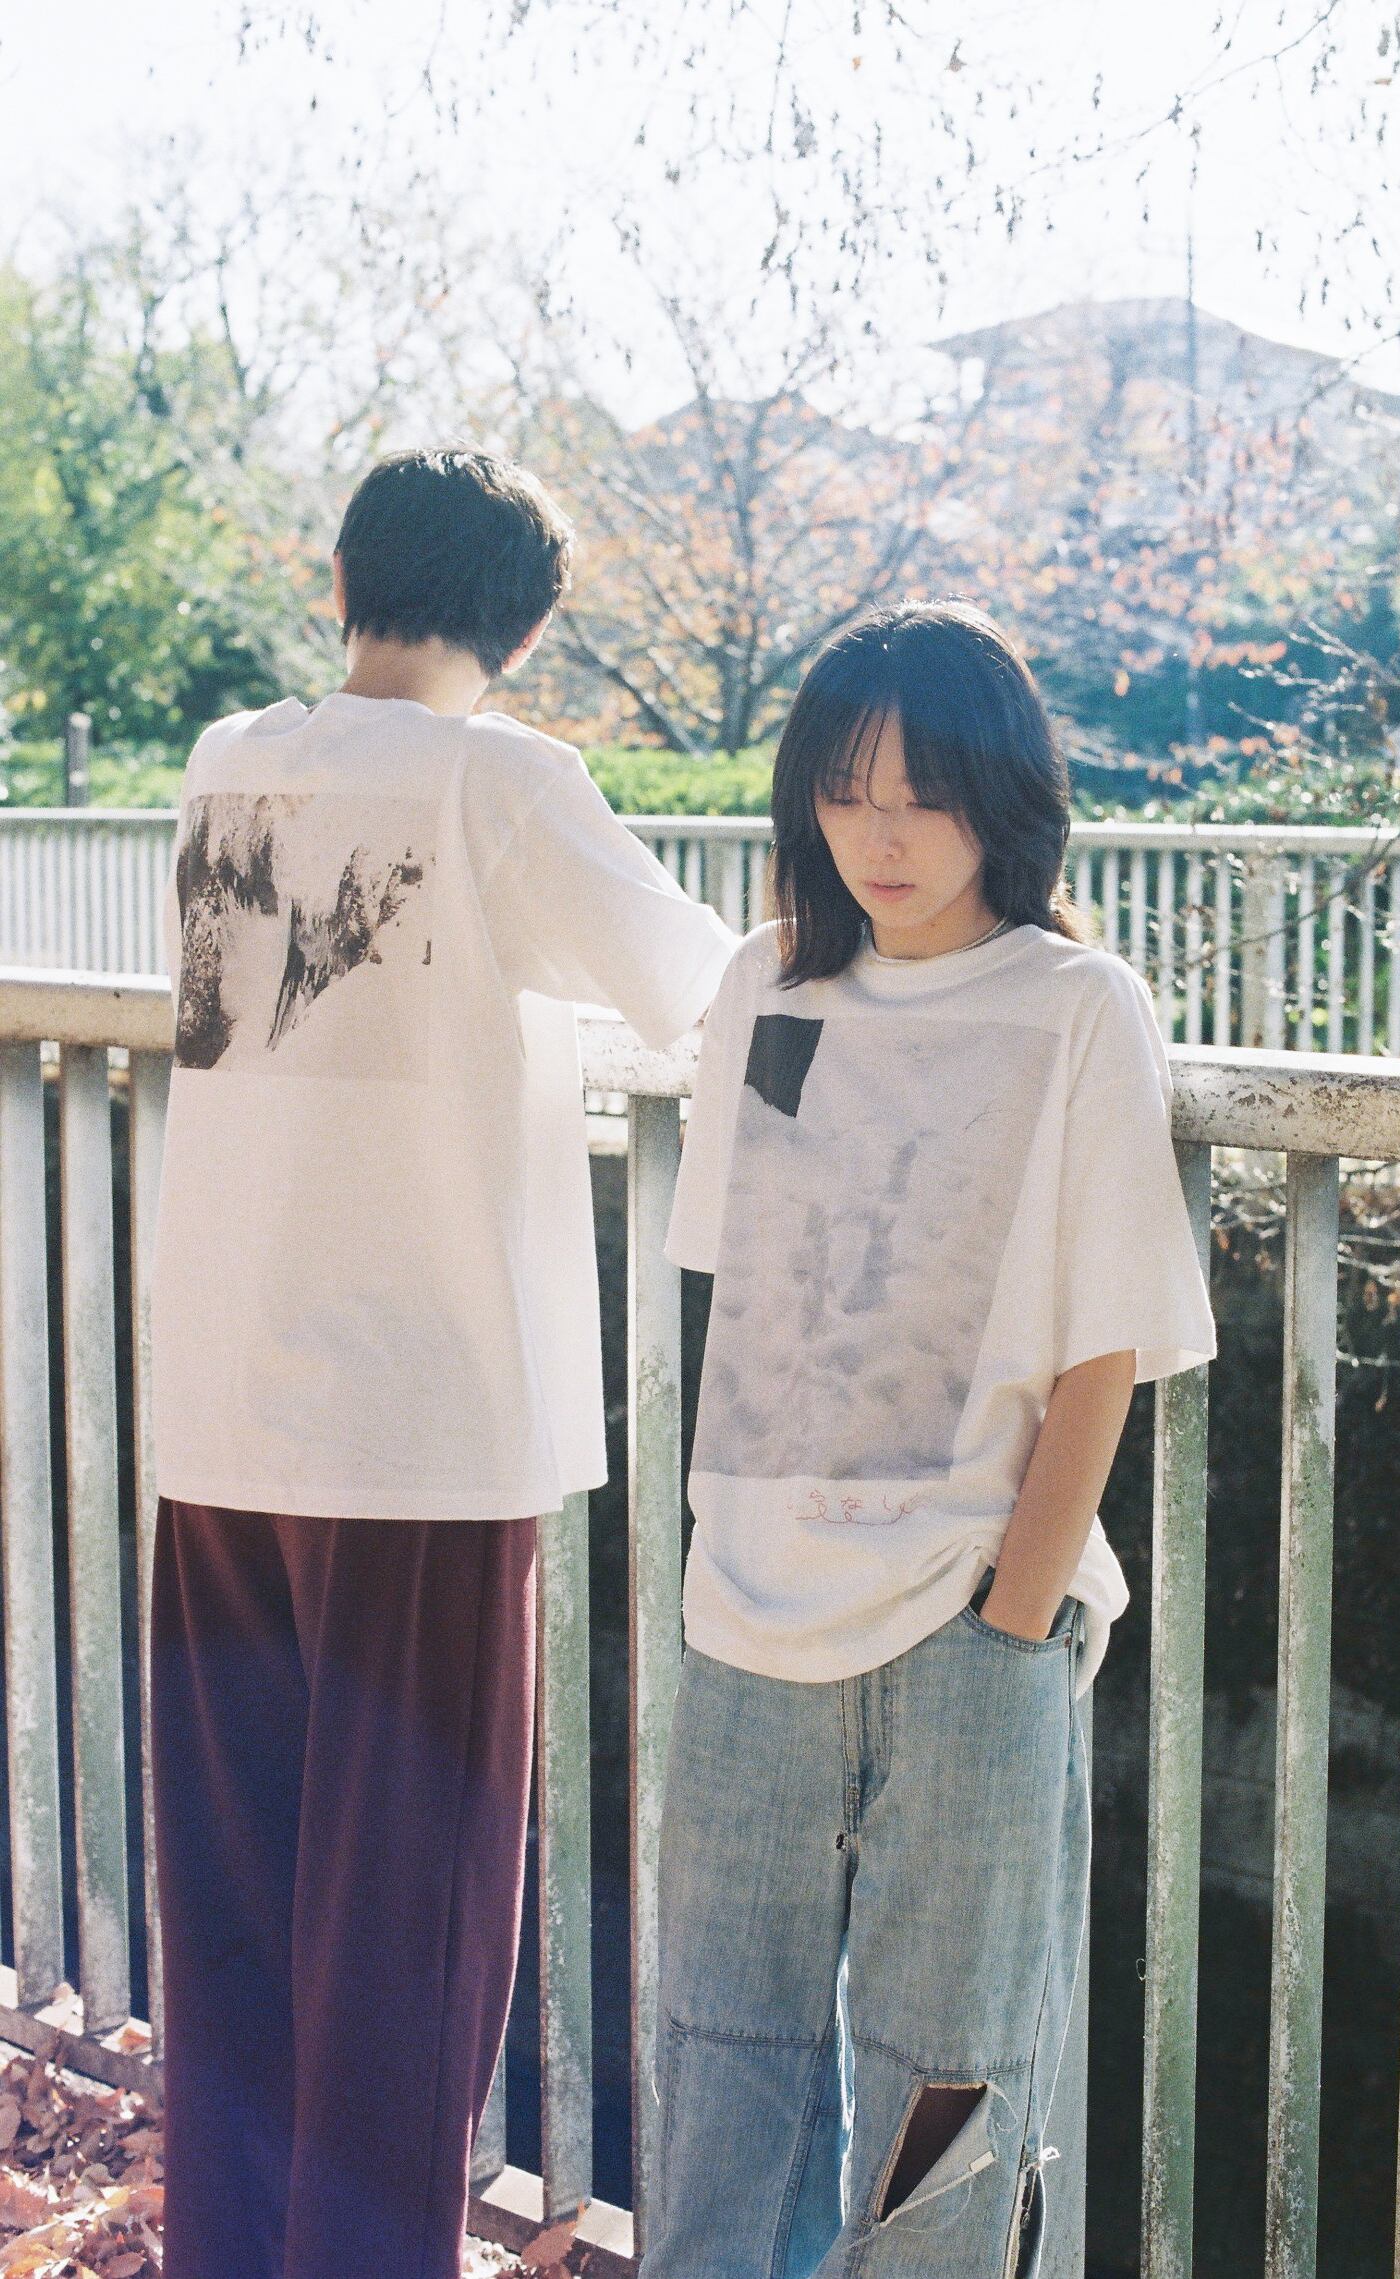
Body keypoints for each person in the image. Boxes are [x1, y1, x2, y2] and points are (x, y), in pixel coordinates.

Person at [149, 447, 736, 2279]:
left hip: (219, 1403)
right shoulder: (503, 784)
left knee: (236, 1902)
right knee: (402, 1926)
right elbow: (702, 993)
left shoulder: (226, 763)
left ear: (341, 583)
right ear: (528, 626)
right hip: (418, 1418)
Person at [643, 601, 1216, 2278]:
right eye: (843, 793)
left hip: (968, 1620)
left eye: (922, 795)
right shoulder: (767, 987)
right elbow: (752, 1283)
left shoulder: (1077, 1004)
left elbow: (1106, 1349)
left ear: (1001, 798)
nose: (880, 837)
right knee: (721, 2068)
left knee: (945, 2097)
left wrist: (1011, 1618)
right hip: (748, 1618)